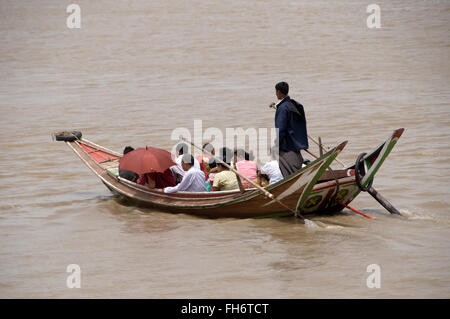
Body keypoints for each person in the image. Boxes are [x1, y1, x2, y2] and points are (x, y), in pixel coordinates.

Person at [273, 82, 308, 178]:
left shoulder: (283, 108)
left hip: (287, 146)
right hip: (295, 143)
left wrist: (276, 145)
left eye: (276, 91)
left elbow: (280, 129)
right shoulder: (292, 104)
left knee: (290, 172)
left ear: (278, 92)